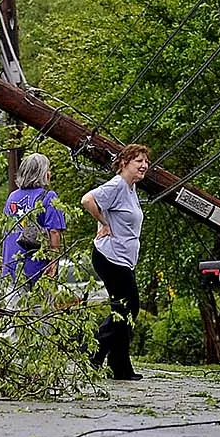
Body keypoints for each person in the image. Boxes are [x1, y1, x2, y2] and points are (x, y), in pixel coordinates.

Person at [80, 144, 152, 381]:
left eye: (146, 162)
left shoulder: (130, 188)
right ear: (124, 163)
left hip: (123, 259)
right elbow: (87, 199)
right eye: (138, 161)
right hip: (110, 257)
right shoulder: (117, 184)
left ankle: (119, 368)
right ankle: (92, 355)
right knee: (127, 310)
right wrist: (103, 222)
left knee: (124, 311)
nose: (144, 166)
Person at [2, 154, 67, 285]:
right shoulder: (49, 197)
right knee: (39, 305)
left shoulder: (12, 197)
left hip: (10, 267)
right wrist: (54, 262)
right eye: (48, 169)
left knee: (11, 305)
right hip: (37, 269)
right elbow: (54, 232)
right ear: (42, 173)